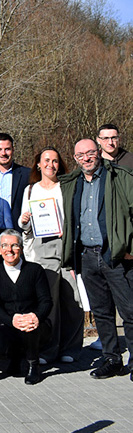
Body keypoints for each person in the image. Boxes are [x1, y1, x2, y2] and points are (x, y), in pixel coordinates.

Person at [59, 138, 133, 380]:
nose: (86, 158)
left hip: (116, 255)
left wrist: (130, 249)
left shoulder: (119, 177)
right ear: (75, 158)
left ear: (98, 152)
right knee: (101, 312)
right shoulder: (72, 183)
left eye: (90, 152)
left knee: (129, 311)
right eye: (81, 155)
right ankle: (112, 359)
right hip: (87, 256)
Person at [17, 147, 83, 364]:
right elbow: (24, 225)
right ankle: (47, 349)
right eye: (46, 160)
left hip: (66, 245)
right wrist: (24, 221)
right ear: (38, 164)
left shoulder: (67, 186)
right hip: (41, 248)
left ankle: (71, 348)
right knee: (48, 300)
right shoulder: (30, 190)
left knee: (72, 298)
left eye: (55, 161)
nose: (50, 165)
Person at [0, 230, 52, 385]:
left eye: (14, 245)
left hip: (35, 324)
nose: (9, 250)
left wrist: (35, 316)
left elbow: (46, 301)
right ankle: (15, 358)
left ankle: (33, 365)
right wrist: (12, 320)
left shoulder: (35, 270)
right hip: (8, 323)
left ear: (21, 249)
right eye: (4, 245)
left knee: (28, 325)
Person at [0, 133, 30, 232]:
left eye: (7, 149)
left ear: (13, 150)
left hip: (18, 231)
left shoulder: (27, 174)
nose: (3, 153)